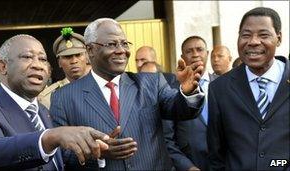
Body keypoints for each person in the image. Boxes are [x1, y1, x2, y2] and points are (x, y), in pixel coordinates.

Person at [50, 18, 205, 170]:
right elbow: (61, 154)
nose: (121, 50)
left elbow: (180, 109)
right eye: (111, 44)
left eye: (124, 43)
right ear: (90, 50)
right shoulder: (63, 98)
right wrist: (96, 153)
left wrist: (187, 92)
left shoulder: (152, 83)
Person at [0, 34, 110, 171]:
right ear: (3, 67)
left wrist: (94, 151)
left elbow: (58, 162)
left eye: (43, 59)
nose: (38, 65)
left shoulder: (43, 111)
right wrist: (50, 137)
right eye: (27, 57)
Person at [207, 7, 289, 171]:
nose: (253, 41)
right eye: (246, 35)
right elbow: (216, 154)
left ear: (278, 39)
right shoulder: (220, 88)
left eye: (263, 35)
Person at [163, 36, 218, 171]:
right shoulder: (170, 90)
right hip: (191, 163)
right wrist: (187, 166)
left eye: (199, 50)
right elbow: (167, 138)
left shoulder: (223, 84)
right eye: (189, 51)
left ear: (207, 53)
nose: (195, 54)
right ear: (182, 56)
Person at [38, 27, 91, 109]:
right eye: (67, 57)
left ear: (87, 57)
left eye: (78, 55)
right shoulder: (49, 97)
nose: (74, 61)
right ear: (59, 62)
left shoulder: (103, 86)